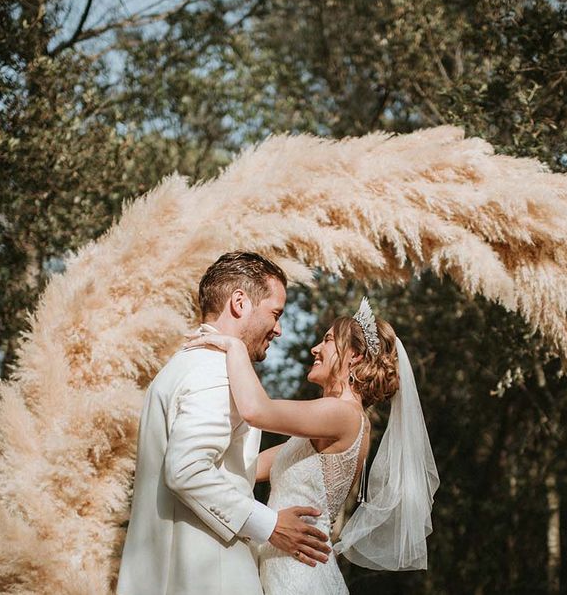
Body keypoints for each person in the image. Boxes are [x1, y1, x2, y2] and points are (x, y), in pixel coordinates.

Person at [184, 297, 439, 594]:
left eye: (328, 340)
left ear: (354, 356)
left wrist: (235, 346)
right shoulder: (320, 431)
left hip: (301, 578)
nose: (315, 349)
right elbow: (247, 467)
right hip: (284, 571)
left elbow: (256, 410)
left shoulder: (344, 414)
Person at [116, 252, 331, 595]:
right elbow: (186, 469)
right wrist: (270, 524)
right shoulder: (215, 370)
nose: (279, 329)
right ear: (240, 303)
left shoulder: (177, 367)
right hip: (206, 578)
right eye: (275, 313)